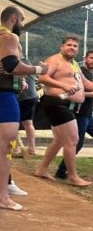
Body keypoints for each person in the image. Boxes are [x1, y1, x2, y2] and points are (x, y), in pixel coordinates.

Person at [0, 6, 48, 210]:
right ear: (14, 18)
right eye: (22, 20)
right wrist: (39, 69)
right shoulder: (9, 38)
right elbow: (11, 65)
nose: (22, 25)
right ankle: (2, 196)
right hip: (3, 98)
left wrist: (14, 78)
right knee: (4, 149)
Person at [35, 36, 93, 186]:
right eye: (69, 45)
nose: (72, 48)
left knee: (60, 140)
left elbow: (85, 83)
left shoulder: (73, 64)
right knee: (73, 140)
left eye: (75, 46)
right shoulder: (54, 60)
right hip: (56, 103)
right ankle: (72, 176)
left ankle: (41, 169)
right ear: (62, 47)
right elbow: (42, 77)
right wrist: (64, 86)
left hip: (66, 106)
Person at [54, 49, 93, 178]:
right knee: (77, 143)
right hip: (78, 113)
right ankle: (62, 171)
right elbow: (72, 92)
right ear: (85, 58)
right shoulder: (79, 72)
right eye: (91, 58)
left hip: (88, 114)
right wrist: (89, 94)